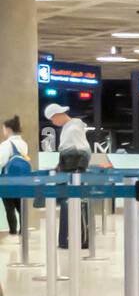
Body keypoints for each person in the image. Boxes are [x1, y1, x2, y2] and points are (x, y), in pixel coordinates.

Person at [46, 104, 91, 249]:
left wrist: (79, 170)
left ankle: (78, 240)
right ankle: (67, 239)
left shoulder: (73, 128)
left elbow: (85, 151)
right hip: (69, 173)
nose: (53, 123)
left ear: (58, 114)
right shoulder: (69, 128)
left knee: (75, 205)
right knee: (68, 206)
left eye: (52, 119)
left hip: (74, 174)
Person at [0, 116, 31, 236]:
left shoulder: (6, 144)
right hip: (21, 179)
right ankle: (23, 230)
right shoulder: (23, 143)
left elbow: (1, 161)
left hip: (7, 180)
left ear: (8, 129)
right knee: (20, 205)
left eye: (3, 128)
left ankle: (12, 231)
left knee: (9, 207)